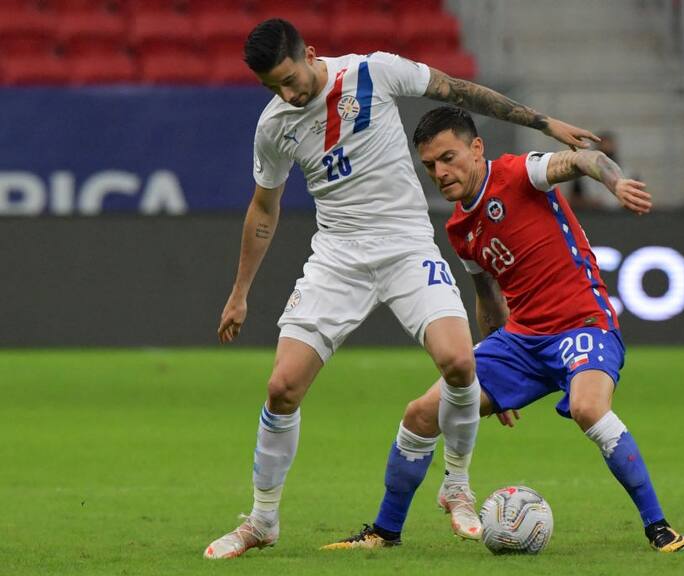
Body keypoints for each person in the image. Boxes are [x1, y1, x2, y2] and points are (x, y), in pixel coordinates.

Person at [204, 19, 600, 560]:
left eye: (290, 79)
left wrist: (543, 122)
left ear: (311, 54)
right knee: (281, 388)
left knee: (460, 363)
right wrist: (240, 291)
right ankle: (262, 520)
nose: (287, 93)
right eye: (273, 86)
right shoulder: (273, 126)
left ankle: (457, 485)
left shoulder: (374, 72)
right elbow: (264, 208)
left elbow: (460, 93)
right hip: (337, 257)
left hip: (406, 245)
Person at [323, 107, 684, 553]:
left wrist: (614, 182)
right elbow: (488, 297)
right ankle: (385, 531)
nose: (440, 173)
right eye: (430, 165)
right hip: (519, 343)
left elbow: (579, 161)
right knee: (420, 413)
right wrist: (491, 378)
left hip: (583, 325)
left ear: (477, 149)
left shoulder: (520, 173)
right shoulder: (460, 229)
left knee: (587, 408)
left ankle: (659, 528)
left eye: (448, 158)